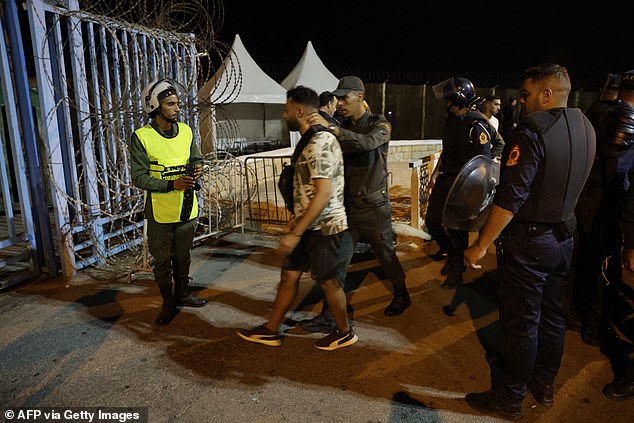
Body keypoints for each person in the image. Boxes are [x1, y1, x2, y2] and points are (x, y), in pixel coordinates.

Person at [463, 64, 596, 420]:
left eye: (526, 93)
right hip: (565, 237)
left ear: (546, 94)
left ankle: (511, 397)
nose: (521, 100)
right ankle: (544, 385)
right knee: (553, 318)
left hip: (531, 243)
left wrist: (482, 243)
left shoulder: (532, 130)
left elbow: (511, 197)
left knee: (522, 323)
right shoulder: (585, 125)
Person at [237, 85, 358, 351]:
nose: (283, 115)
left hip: (325, 227)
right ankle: (271, 330)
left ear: (300, 111)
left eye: (286, 110)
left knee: (328, 283)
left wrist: (294, 233)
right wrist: (296, 221)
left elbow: (323, 193)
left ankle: (344, 331)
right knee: (289, 277)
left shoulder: (320, 143)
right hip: (307, 226)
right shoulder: (308, 140)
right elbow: (306, 189)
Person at [301, 76, 411, 334]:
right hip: (349, 209)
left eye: (344, 98)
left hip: (374, 208)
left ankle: (401, 292)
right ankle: (329, 315)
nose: (339, 103)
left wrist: (336, 131)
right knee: (339, 263)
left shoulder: (378, 124)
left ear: (360, 96)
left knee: (386, 256)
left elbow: (368, 142)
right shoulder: (340, 125)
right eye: (337, 99)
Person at [129, 78, 208, 326]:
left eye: (177, 104)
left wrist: (197, 168)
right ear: (155, 107)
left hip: (186, 209)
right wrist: (171, 184)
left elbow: (196, 157)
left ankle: (183, 293)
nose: (177, 109)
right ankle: (168, 302)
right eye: (170, 104)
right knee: (162, 261)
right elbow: (139, 178)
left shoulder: (185, 131)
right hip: (161, 214)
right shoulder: (142, 137)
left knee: (182, 257)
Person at [577, 70, 634, 400]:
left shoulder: (598, 111)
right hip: (609, 201)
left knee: (588, 260)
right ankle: (595, 327)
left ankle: (582, 319)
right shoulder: (622, 120)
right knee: (604, 267)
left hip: (591, 198)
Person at [425, 76, 493, 290]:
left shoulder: (477, 125)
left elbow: (484, 161)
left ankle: (457, 271)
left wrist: (476, 191)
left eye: (448, 99)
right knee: (433, 222)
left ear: (458, 99)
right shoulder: (451, 120)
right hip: (446, 179)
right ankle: (452, 253)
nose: (445, 103)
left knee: (457, 229)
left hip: (464, 184)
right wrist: (436, 173)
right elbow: (447, 151)